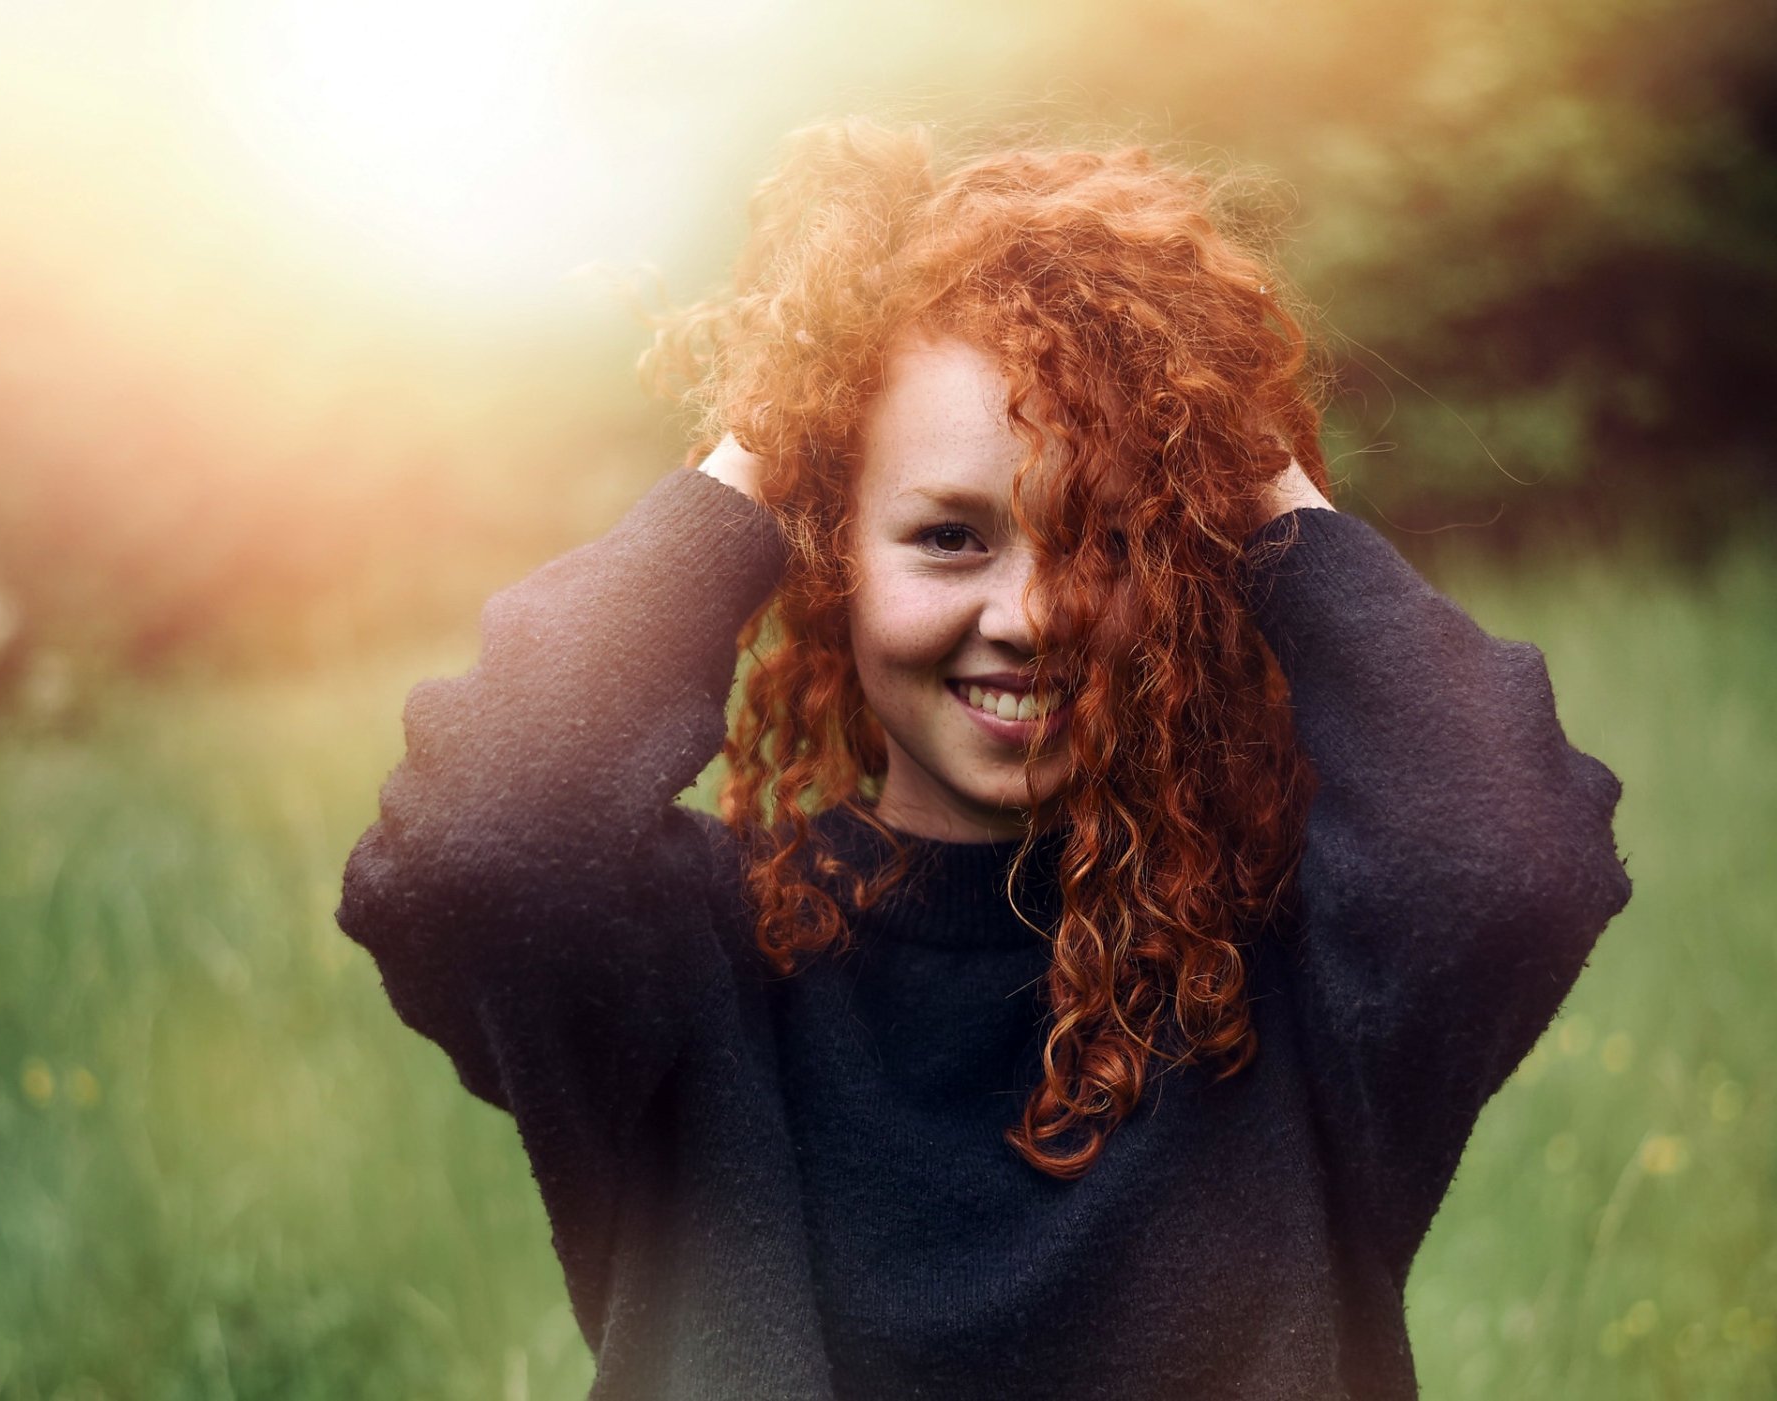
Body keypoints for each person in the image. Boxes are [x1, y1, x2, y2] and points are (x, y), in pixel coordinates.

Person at [334, 117, 1633, 1400]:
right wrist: (773, 435)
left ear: (1196, 566)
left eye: (1110, 542)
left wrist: (1249, 467)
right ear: (830, 551)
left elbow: (1508, 854)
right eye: (950, 536)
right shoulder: (694, 959)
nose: (1029, 614)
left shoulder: (1291, 967)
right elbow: (484, 834)